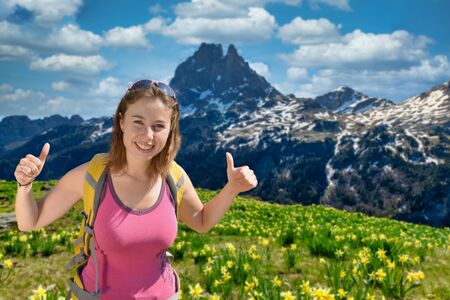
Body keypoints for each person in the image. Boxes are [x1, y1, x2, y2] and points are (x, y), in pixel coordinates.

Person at [14, 79, 258, 299]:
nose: (147, 136)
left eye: (159, 126)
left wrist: (232, 188)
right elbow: (29, 222)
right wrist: (25, 185)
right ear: (121, 122)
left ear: (171, 130)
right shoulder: (92, 176)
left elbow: (202, 221)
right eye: (138, 122)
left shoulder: (174, 176)